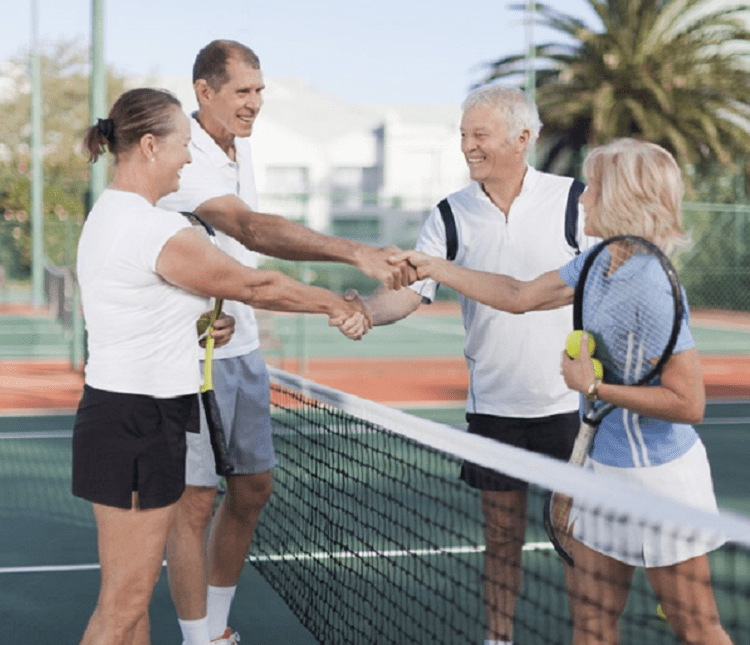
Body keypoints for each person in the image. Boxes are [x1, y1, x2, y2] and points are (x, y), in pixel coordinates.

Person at [392, 138, 734, 645]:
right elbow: (518, 295)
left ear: (621, 200)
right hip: (603, 475)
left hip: (663, 483)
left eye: (593, 189)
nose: (582, 199)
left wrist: (594, 386)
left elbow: (689, 404)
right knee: (592, 626)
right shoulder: (597, 262)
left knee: (696, 627)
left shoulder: (653, 283)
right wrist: (433, 267)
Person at [73, 87, 370, 645]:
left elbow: (143, 309)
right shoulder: (151, 227)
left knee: (129, 607)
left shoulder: (113, 215)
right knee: (123, 606)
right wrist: (334, 302)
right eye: (184, 145)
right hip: (138, 423)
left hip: (131, 416)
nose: (189, 158)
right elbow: (256, 283)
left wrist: (201, 324)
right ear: (151, 146)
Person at [156, 40, 411, 645]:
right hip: (192, 360)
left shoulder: (239, 148)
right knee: (194, 503)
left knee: (252, 489)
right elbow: (248, 229)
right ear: (205, 91)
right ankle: (200, 639)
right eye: (243, 91)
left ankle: (217, 628)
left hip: (242, 349)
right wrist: (355, 252)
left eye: (260, 91)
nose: (255, 103)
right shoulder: (186, 157)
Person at [355, 85, 595, 645]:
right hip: (494, 406)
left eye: (479, 135)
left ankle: (592, 636)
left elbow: (587, 280)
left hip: (569, 407)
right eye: (464, 135)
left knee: (577, 536)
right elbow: (413, 293)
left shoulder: (573, 201)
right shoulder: (450, 215)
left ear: (523, 138)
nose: (468, 146)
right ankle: (498, 640)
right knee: (502, 537)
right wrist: (364, 309)